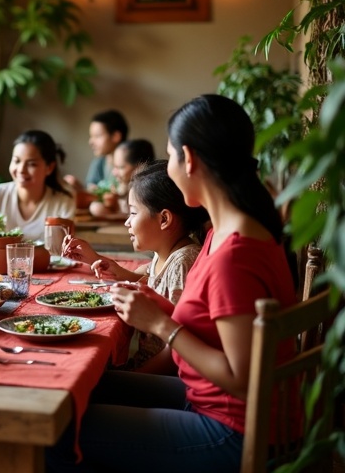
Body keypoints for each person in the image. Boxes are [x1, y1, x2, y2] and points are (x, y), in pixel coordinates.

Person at [46, 94, 297, 473]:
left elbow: (243, 379)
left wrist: (161, 324)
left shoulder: (235, 253)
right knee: (75, 394)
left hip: (233, 429)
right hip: (211, 400)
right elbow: (210, 323)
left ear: (190, 159)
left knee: (57, 429)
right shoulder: (222, 231)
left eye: (171, 155)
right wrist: (155, 303)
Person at [63, 159, 208, 368]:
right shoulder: (166, 254)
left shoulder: (183, 262)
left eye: (133, 212)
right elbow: (146, 276)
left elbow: (176, 351)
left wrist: (138, 374)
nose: (127, 222)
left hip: (163, 374)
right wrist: (96, 259)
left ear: (164, 219)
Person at [0, 130, 75, 252]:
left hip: (47, 269)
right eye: (16, 161)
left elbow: (62, 251)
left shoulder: (63, 200)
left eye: (31, 164)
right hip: (1, 269)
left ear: (49, 167)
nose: (21, 169)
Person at [89, 138, 155, 218]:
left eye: (120, 167)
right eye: (114, 166)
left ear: (139, 168)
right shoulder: (118, 188)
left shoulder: (147, 195)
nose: (114, 173)